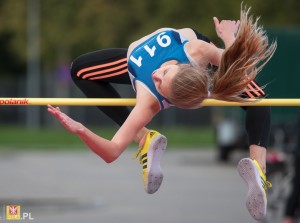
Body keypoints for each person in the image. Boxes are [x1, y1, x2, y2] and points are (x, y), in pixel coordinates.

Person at [48, 6, 276, 221]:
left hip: (136, 66)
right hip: (193, 61)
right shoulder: (196, 49)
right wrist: (228, 37)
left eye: (160, 81)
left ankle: (145, 138)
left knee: (80, 70)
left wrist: (81, 130)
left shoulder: (148, 100)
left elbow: (112, 151)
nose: (156, 75)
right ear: (183, 67)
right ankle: (257, 165)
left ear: (165, 99)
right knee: (256, 97)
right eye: (164, 74)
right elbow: (234, 62)